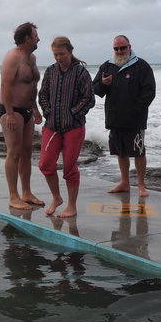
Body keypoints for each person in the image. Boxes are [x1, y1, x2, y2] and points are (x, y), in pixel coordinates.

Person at [92, 35, 156, 197]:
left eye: (123, 48)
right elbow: (95, 89)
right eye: (116, 48)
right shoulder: (107, 66)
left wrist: (136, 110)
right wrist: (103, 84)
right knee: (120, 152)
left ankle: (141, 185)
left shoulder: (141, 66)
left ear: (129, 47)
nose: (119, 51)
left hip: (135, 119)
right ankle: (125, 182)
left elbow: (149, 91)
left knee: (138, 152)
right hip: (114, 118)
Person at [38, 36, 95, 218]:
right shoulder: (50, 71)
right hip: (52, 126)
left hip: (74, 127)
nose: (58, 58)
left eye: (61, 54)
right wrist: (48, 112)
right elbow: (43, 94)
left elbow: (89, 99)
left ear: (70, 52)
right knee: (46, 164)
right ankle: (57, 198)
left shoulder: (81, 73)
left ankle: (72, 206)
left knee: (70, 167)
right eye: (55, 54)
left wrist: (72, 113)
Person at [0, 22, 45, 209]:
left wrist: (35, 109)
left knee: (27, 152)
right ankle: (13, 196)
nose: (38, 39)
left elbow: (31, 87)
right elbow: (5, 85)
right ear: (27, 38)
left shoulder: (31, 58)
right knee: (14, 152)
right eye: (35, 36)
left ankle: (26, 192)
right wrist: (9, 113)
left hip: (27, 110)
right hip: (12, 110)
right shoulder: (12, 57)